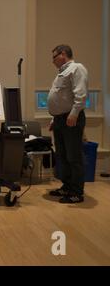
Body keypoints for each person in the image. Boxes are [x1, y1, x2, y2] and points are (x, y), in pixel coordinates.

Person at [48, 45, 88, 203]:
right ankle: (67, 186)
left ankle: (77, 192)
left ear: (63, 54)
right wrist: (54, 118)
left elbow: (81, 94)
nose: (52, 61)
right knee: (62, 155)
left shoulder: (76, 68)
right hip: (60, 120)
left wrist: (74, 114)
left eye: (54, 57)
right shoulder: (62, 73)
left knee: (74, 156)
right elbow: (62, 98)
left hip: (71, 118)